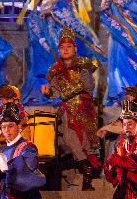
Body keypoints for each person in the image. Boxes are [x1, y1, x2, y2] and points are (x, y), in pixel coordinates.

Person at [19, 0, 104, 106]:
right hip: (48, 36)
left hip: (60, 36)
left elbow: (68, 16)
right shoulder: (48, 0)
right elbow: (38, 13)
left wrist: (52, 12)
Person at [41, 28, 101, 190]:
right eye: (62, 47)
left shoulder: (83, 65)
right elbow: (55, 93)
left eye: (69, 47)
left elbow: (88, 87)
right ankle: (85, 171)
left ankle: (87, 178)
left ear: (75, 48)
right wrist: (47, 92)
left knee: (85, 142)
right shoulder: (55, 70)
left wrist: (71, 93)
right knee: (69, 140)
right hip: (66, 110)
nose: (65, 50)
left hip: (83, 107)